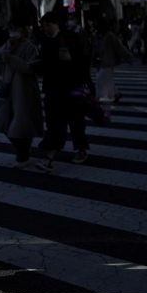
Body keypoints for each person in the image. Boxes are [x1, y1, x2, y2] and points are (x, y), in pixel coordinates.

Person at [34, 11, 95, 172]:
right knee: (54, 125)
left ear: (55, 23)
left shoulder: (69, 37)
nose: (45, 28)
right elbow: (43, 63)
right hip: (53, 89)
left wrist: (85, 81)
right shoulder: (46, 41)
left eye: (47, 25)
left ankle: (80, 150)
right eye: (43, 25)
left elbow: (81, 61)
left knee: (76, 122)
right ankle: (49, 158)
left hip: (70, 87)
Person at [0, 20, 43, 168]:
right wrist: (5, 50)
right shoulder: (8, 45)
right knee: (3, 122)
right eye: (11, 29)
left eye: (15, 29)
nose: (12, 32)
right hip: (8, 89)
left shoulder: (30, 47)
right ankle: (24, 151)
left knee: (20, 124)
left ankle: (23, 155)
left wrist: (12, 59)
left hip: (23, 91)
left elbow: (31, 67)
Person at [93, 17, 132, 102]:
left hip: (108, 61)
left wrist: (128, 56)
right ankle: (116, 93)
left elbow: (119, 47)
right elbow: (94, 48)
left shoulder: (110, 36)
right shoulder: (97, 36)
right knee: (107, 80)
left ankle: (97, 97)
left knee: (101, 79)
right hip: (100, 61)